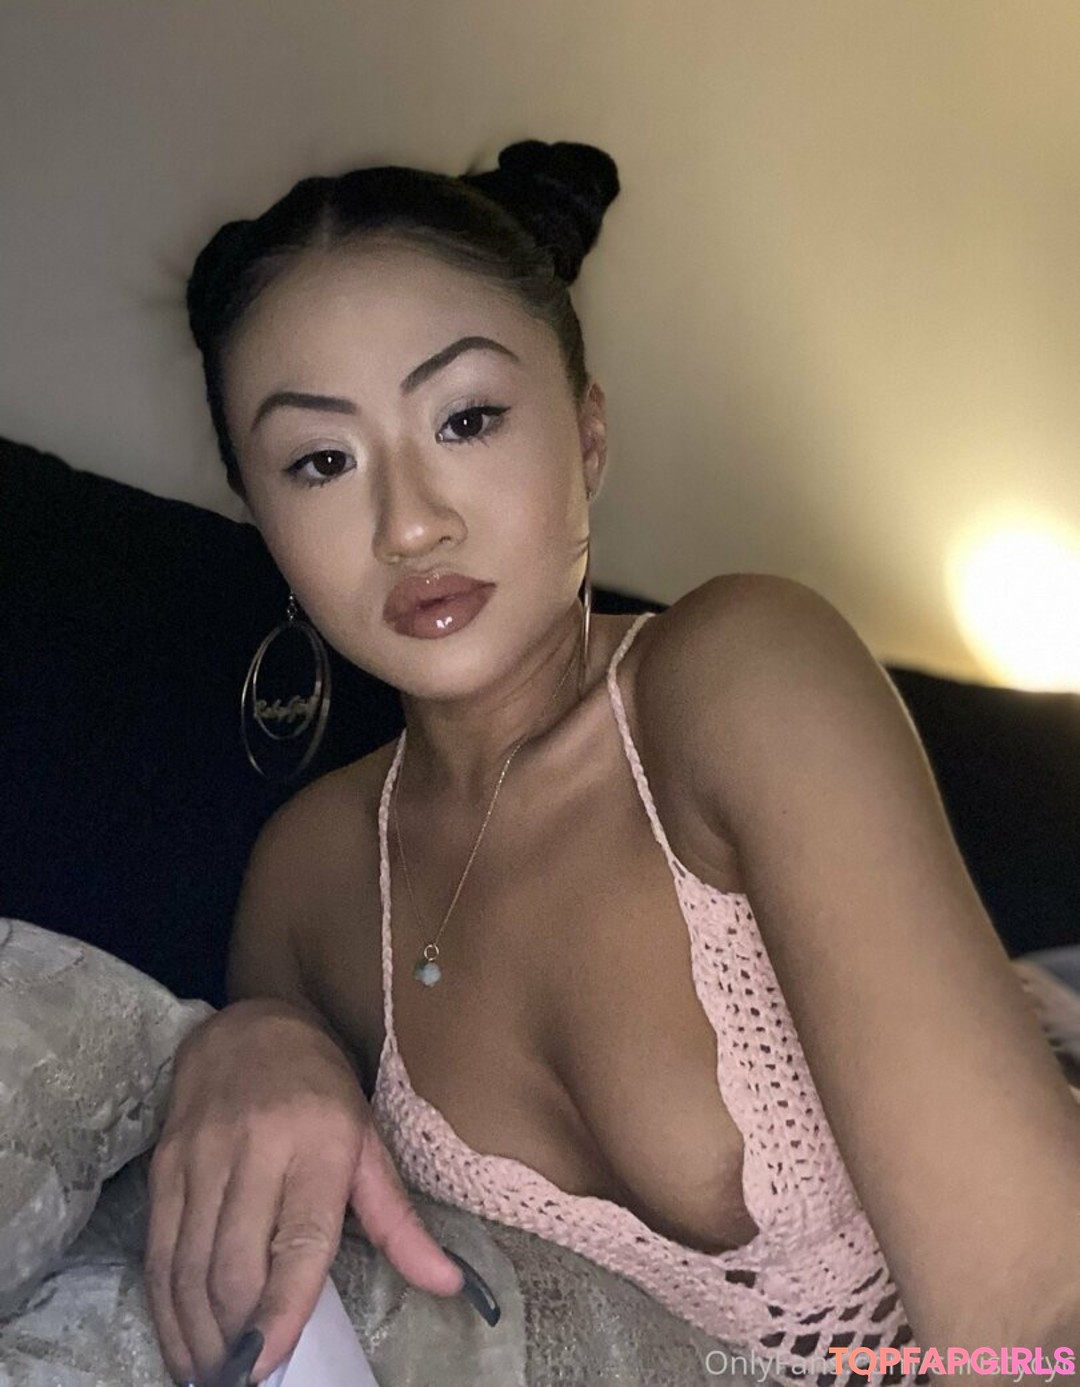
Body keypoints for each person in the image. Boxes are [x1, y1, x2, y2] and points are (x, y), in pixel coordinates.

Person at [148, 140, 1080, 1387]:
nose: (410, 522)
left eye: (467, 418)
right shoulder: (308, 880)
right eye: (322, 461)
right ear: (260, 518)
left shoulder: (741, 676)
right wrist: (246, 1041)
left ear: (588, 436)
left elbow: (1036, 1306)